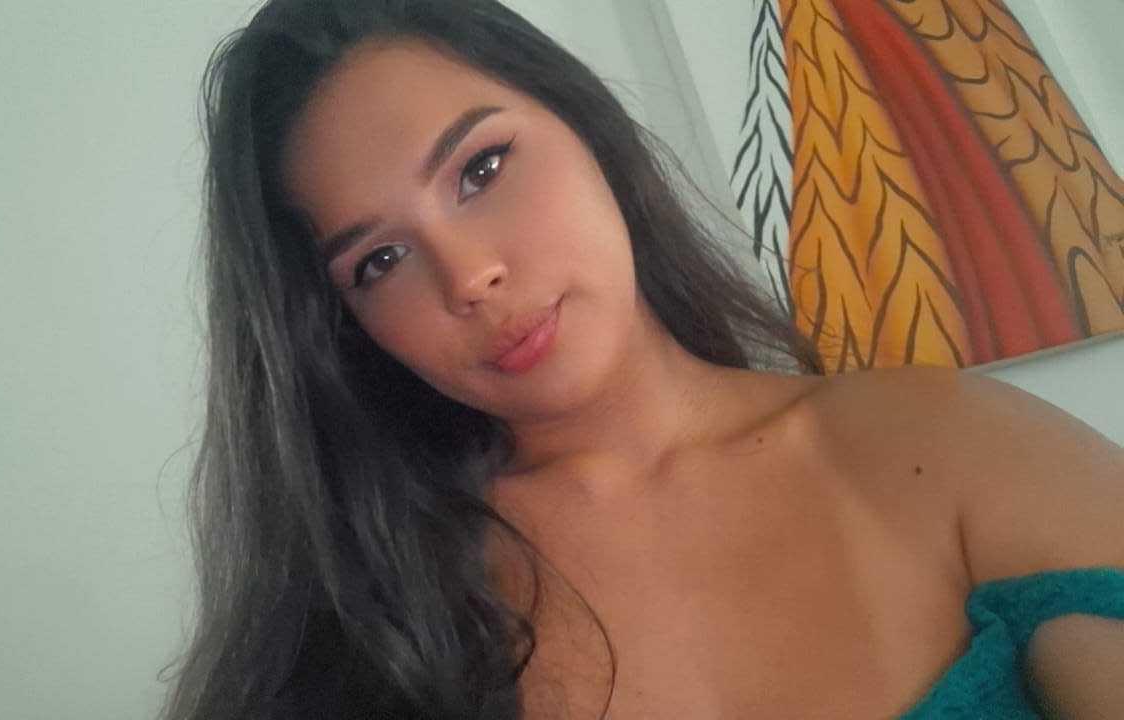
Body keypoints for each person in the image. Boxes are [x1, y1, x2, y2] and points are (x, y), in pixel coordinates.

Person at [156, 1, 1124, 718]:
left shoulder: (949, 445)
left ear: (586, 127)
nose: (469, 276)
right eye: (378, 261)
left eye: (481, 168)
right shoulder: (361, 621)